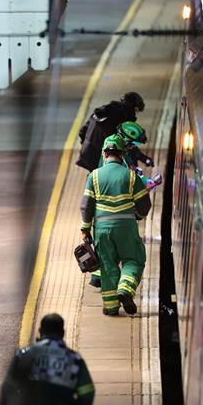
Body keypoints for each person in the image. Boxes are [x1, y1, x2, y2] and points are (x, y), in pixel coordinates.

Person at [80, 134, 151, 315]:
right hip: (126, 227)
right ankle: (125, 289)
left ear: (104, 154)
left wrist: (85, 229)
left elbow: (86, 206)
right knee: (134, 259)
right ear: (122, 154)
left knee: (107, 265)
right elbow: (144, 205)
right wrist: (137, 216)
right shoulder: (131, 176)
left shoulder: (94, 176)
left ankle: (111, 307)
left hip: (102, 229)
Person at [0, 313, 95, 405]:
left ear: (40, 331)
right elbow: (87, 392)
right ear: (62, 332)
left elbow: (8, 387)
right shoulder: (73, 359)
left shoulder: (23, 355)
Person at [76, 91, 145, 172]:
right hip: (103, 158)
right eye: (136, 110)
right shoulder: (124, 119)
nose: (135, 114)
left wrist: (88, 146)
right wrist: (142, 158)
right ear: (134, 107)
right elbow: (128, 144)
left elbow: (82, 132)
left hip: (87, 154)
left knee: (95, 180)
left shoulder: (102, 111)